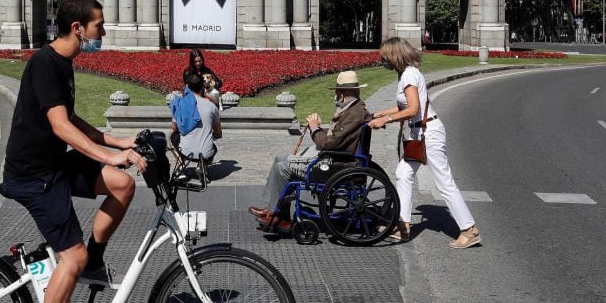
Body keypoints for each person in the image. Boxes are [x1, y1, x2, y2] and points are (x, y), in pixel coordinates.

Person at [0, 0, 147, 303]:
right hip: (34, 175)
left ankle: (94, 261)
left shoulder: (63, 63)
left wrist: (116, 141)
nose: (104, 31)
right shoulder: (46, 63)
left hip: (54, 166)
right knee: (72, 258)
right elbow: (61, 127)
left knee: (122, 184)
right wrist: (106, 154)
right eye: (99, 24)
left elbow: (71, 118)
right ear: (78, 28)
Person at [368, 37, 481, 248]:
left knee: (444, 183)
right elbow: (406, 108)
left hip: (427, 132)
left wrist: (386, 119)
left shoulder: (409, 75)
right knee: (403, 174)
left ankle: (469, 230)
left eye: (385, 56)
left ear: (394, 55)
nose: (382, 60)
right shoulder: (405, 74)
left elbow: (412, 109)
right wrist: (379, 112)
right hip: (417, 133)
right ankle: (403, 226)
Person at [248, 71, 371, 232]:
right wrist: (318, 128)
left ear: (342, 94)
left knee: (283, 168)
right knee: (280, 159)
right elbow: (338, 137)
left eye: (336, 92)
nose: (334, 96)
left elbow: (328, 143)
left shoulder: (354, 114)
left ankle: (277, 215)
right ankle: (275, 211)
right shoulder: (353, 110)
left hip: (338, 164)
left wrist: (315, 128)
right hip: (337, 158)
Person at [170, 71, 221, 162]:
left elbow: (174, 129)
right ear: (202, 86)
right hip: (207, 154)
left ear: (187, 87)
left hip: (186, 153)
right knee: (212, 145)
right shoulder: (212, 106)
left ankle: (181, 167)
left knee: (171, 136)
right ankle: (203, 166)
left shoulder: (180, 104)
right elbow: (218, 132)